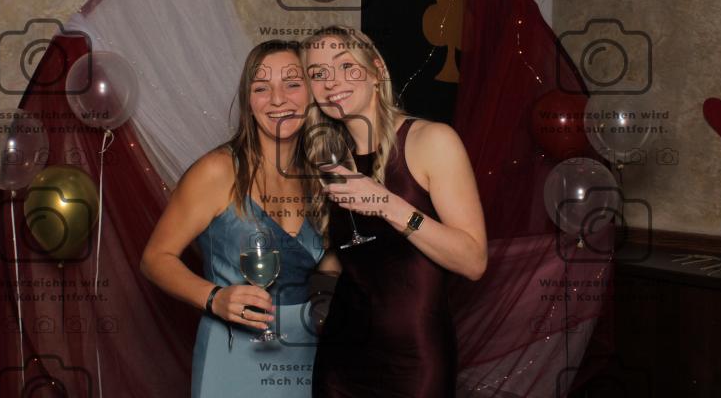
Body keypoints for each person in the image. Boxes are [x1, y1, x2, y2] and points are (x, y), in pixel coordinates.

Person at [300, 26, 488, 397]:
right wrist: (317, 297)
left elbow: (473, 261)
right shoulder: (328, 158)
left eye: (346, 66)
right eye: (318, 73)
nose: (332, 81)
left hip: (415, 360)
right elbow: (352, 257)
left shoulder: (432, 140)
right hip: (339, 360)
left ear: (377, 70)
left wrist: (387, 203)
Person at [140, 40, 325, 398]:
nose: (277, 99)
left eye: (292, 83)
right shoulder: (217, 171)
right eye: (261, 88)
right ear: (247, 102)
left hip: (306, 353)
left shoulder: (319, 175)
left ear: (311, 94)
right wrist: (213, 297)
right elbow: (155, 258)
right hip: (234, 353)